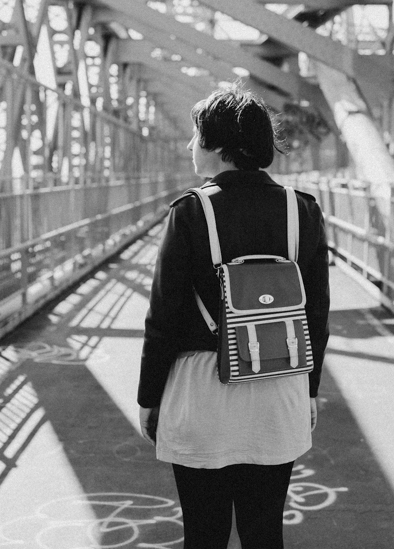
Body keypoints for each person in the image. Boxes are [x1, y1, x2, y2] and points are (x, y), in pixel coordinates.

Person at [137, 86, 330, 549]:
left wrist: (149, 396)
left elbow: (162, 315)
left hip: (203, 392)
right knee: (264, 534)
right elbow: (316, 313)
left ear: (220, 146)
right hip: (278, 387)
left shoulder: (190, 212)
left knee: (204, 535)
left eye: (196, 136)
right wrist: (310, 388)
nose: (189, 146)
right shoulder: (300, 210)